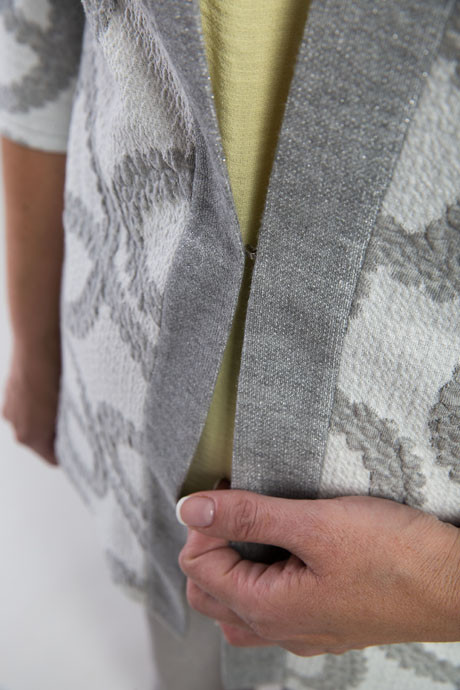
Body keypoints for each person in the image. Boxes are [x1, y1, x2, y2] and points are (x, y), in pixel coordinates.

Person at [1, 1, 460, 689]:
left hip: (415, 600)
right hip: (146, 476)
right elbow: (36, 41)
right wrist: (35, 343)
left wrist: (445, 587)